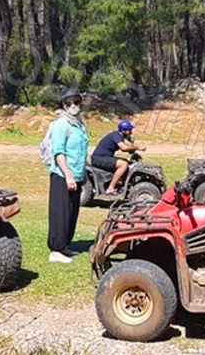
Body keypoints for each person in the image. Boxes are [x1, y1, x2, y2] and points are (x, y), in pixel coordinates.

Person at [45, 87, 89, 264]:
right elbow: (59, 152)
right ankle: (55, 249)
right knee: (60, 212)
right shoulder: (61, 125)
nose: (73, 106)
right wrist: (68, 176)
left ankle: (64, 246)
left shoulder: (79, 124)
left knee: (72, 212)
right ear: (62, 105)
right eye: (68, 103)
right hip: (63, 175)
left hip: (77, 175)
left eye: (76, 102)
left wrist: (80, 174)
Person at [91, 120, 145, 195]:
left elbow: (125, 149)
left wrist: (132, 149)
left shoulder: (119, 136)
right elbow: (123, 147)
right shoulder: (116, 135)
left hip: (103, 157)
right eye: (129, 130)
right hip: (99, 158)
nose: (131, 132)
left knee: (125, 161)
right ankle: (110, 188)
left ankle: (121, 184)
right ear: (123, 130)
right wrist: (138, 147)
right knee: (123, 164)